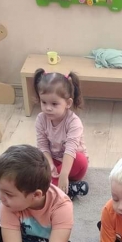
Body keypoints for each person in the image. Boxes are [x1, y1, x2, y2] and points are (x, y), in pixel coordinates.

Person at [33, 68, 89, 198]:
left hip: (71, 164)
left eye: (54, 104)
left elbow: (70, 150)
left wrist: (63, 174)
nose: (48, 108)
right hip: (52, 161)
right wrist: (50, 164)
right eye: (44, 102)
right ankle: (66, 190)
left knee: (80, 160)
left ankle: (49, 189)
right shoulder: (41, 119)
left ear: (68, 103)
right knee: (31, 158)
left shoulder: (74, 122)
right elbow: (42, 145)